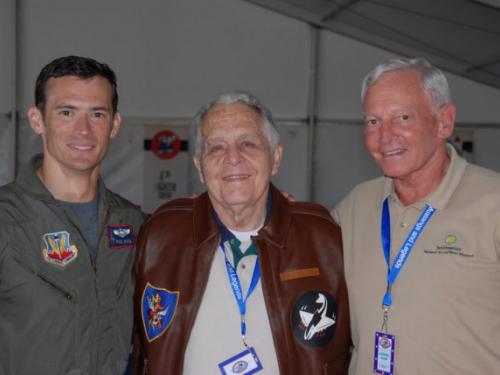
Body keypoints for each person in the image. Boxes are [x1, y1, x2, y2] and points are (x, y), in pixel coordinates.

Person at [133, 92, 350, 374]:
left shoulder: (323, 239)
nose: (233, 158)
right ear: (200, 167)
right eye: (216, 147)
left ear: (276, 158)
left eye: (248, 143)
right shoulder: (161, 236)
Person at [333, 57, 500, 374]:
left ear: (444, 122)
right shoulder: (355, 205)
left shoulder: (493, 205)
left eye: (402, 118)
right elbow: (298, 249)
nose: (385, 136)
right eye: (373, 122)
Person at [0, 56, 146, 374]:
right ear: (38, 120)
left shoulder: (135, 225)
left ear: (115, 125)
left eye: (97, 114)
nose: (83, 129)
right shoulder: (6, 220)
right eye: (67, 112)